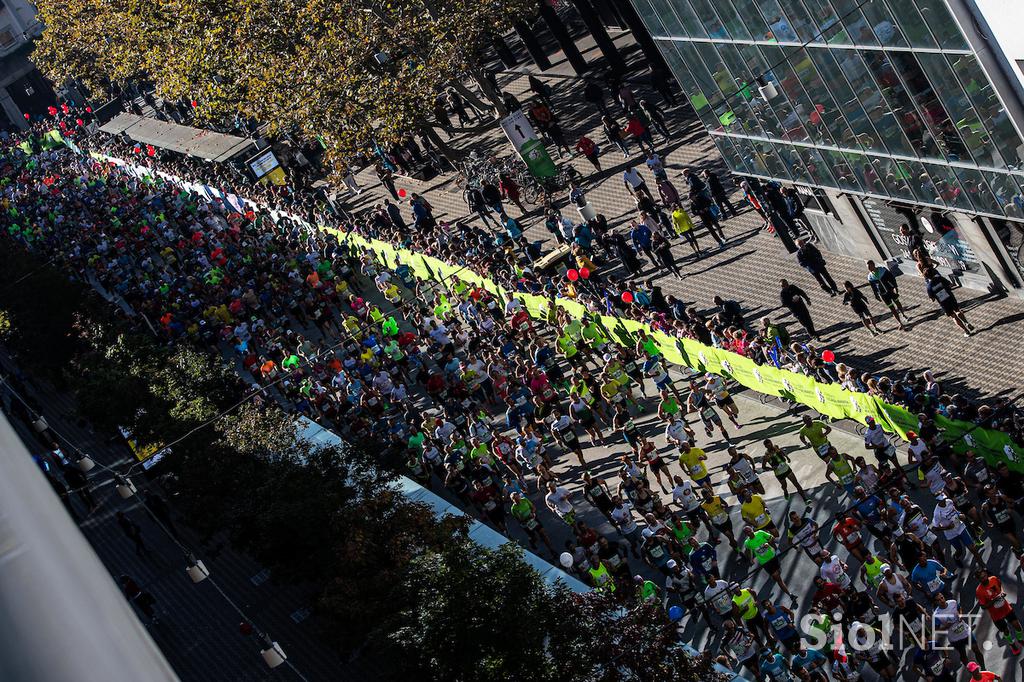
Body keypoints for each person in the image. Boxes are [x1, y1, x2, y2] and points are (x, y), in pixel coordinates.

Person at [924, 268, 975, 337]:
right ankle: (967, 322)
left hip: (943, 302)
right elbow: (950, 284)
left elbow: (932, 299)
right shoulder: (939, 278)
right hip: (950, 297)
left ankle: (966, 331)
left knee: (953, 316)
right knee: (957, 310)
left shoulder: (929, 287)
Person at [867, 260, 910, 330]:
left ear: (873, 265)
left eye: (870, 266)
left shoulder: (882, 270)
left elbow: (892, 278)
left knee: (897, 302)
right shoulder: (870, 277)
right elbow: (873, 287)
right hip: (883, 295)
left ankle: (903, 314)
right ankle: (900, 322)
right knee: (892, 308)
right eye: (868, 267)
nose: (869, 268)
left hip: (890, 291)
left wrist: (895, 287)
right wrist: (876, 295)